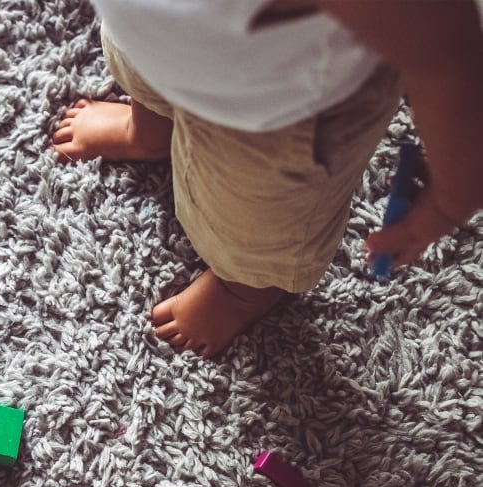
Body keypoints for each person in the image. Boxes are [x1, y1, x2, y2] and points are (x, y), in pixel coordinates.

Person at [53, 1, 483, 358]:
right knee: (146, 75)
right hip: (156, 38)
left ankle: (244, 289)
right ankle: (151, 128)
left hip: (285, 115)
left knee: (257, 227)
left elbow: (447, 56)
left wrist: (450, 197)